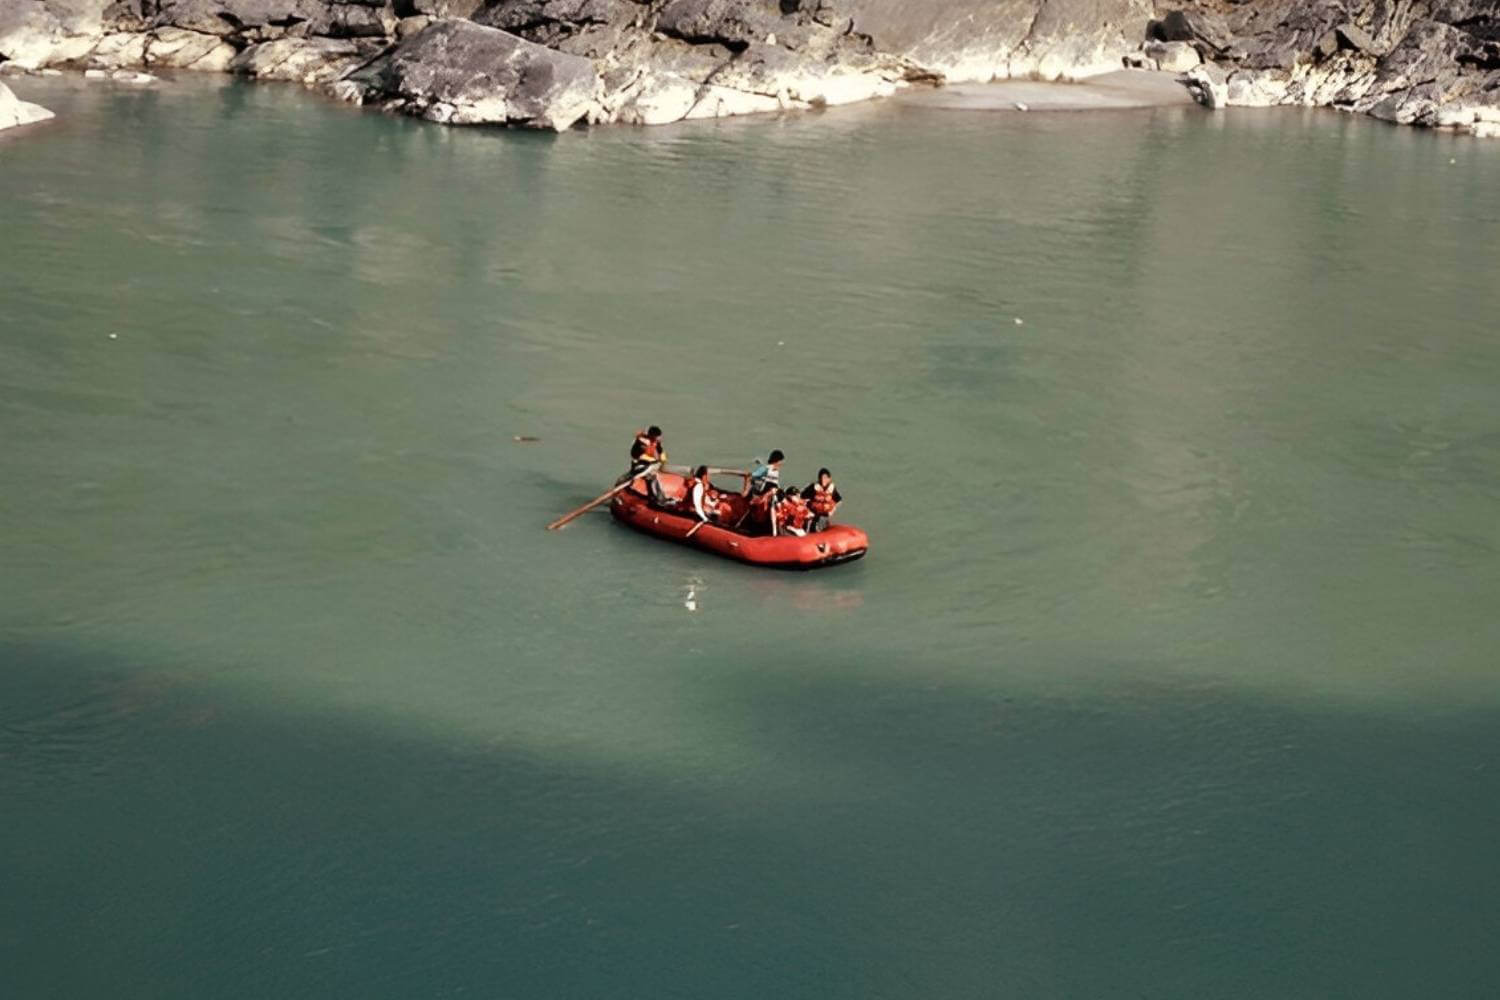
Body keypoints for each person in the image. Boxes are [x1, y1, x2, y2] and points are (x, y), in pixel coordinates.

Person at [626, 425, 667, 504]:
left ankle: (658, 497)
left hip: (651, 465)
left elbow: (660, 451)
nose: (660, 438)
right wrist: (654, 461)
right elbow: (638, 456)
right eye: (658, 436)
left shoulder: (655, 442)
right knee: (651, 478)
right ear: (653, 436)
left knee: (653, 476)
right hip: (640, 466)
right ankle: (656, 498)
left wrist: (662, 458)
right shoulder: (641, 443)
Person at [801, 468, 842, 532]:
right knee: (812, 525)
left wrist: (832, 508)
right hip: (813, 513)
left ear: (829, 479)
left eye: (825, 478)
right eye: (821, 478)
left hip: (825, 514)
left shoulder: (832, 489)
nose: (823, 480)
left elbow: (838, 500)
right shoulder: (813, 487)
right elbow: (802, 496)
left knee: (823, 523)